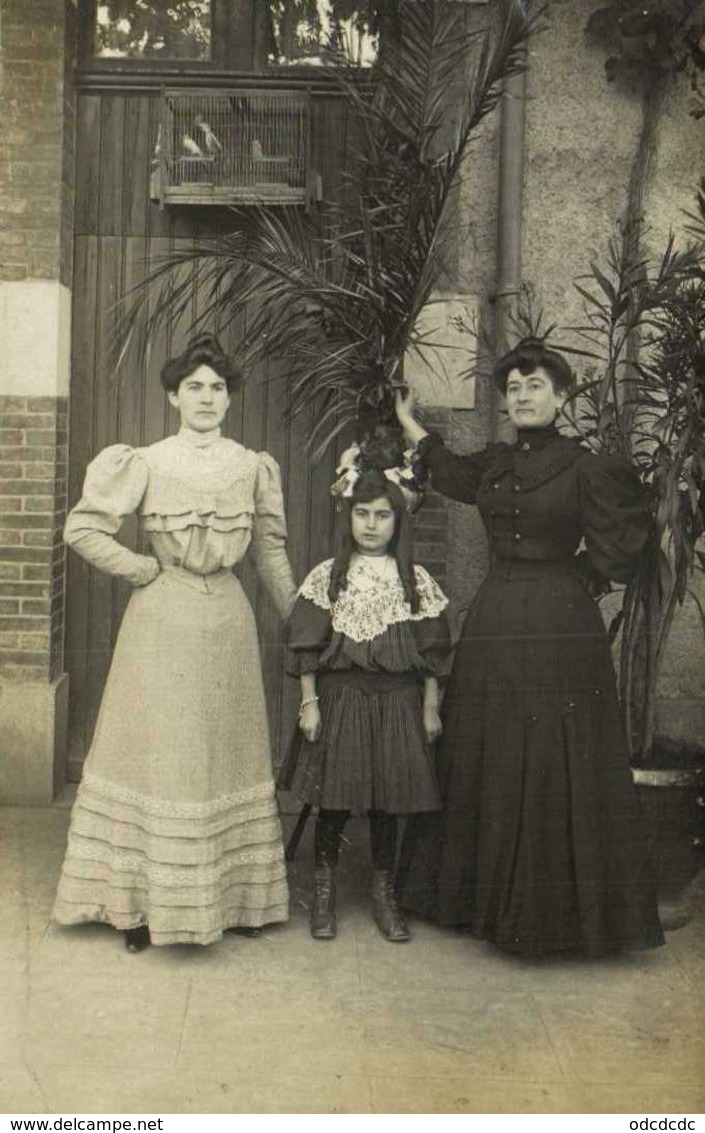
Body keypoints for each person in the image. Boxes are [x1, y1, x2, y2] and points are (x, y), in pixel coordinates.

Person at [394, 337, 665, 958]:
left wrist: (585, 580)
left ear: (562, 396)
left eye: (535, 386)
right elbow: (450, 471)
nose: (522, 397)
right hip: (495, 617)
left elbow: (628, 538)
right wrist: (411, 424)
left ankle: (551, 918)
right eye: (513, 389)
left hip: (560, 622)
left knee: (550, 751)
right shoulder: (495, 463)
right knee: (491, 743)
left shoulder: (587, 465)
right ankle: (477, 903)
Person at [53, 333, 297, 951]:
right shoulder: (145, 460)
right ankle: (139, 907)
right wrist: (138, 568)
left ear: (230, 398)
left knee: (223, 751)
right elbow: (82, 527)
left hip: (228, 626)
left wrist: (298, 618)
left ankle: (235, 900)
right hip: (161, 621)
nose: (207, 397)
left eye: (218, 387)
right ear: (173, 396)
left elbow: (269, 549)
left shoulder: (251, 466)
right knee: (161, 753)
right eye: (195, 387)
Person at [278, 470, 451, 942]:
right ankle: (324, 889)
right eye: (362, 515)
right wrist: (309, 702)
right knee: (332, 799)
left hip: (397, 700)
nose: (371, 526)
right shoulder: (328, 576)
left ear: (398, 521)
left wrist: (430, 707)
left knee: (387, 801)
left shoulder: (414, 580)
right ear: (348, 518)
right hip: (340, 698)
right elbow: (306, 647)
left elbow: (433, 653)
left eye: (382, 515)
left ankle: (384, 892)